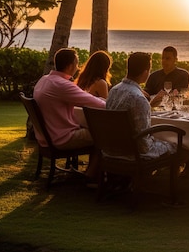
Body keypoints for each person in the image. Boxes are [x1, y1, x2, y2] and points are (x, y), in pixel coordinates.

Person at [33, 48, 106, 178]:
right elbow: (96, 103)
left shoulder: (44, 80)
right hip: (62, 138)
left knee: (93, 128)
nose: (77, 68)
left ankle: (91, 172)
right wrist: (114, 104)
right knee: (103, 135)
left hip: (47, 136)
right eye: (76, 64)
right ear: (70, 65)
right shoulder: (62, 85)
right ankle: (91, 176)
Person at [106, 52, 178, 159]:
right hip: (133, 152)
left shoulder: (113, 91)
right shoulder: (139, 98)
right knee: (178, 146)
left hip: (111, 148)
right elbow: (143, 145)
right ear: (145, 73)